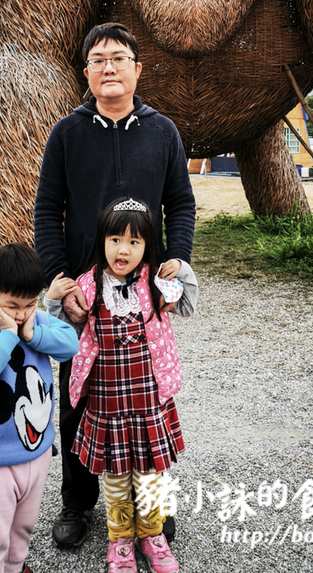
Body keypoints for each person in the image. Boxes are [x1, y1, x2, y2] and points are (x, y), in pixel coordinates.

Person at [34, 22, 196, 547]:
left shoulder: (163, 131)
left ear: (136, 69)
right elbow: (47, 210)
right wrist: (60, 280)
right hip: (85, 292)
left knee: (147, 397)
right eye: (99, 59)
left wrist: (175, 261)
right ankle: (78, 505)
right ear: (86, 73)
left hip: (144, 291)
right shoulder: (67, 133)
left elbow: (182, 204)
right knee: (80, 395)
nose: (109, 66)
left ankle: (148, 509)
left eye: (118, 58)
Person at [45, 198, 197, 573]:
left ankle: (153, 535)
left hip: (148, 403)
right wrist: (52, 301)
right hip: (107, 406)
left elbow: (189, 306)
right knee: (114, 479)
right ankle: (121, 541)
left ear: (147, 246)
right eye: (115, 239)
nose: (123, 249)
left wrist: (183, 269)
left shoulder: (156, 283)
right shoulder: (88, 285)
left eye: (134, 241)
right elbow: (62, 334)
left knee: (150, 476)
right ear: (102, 241)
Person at [0, 243, 79, 573]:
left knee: (22, 530)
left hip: (36, 455)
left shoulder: (35, 324)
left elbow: (70, 345)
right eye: (11, 306)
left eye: (30, 304)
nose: (21, 314)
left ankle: (16, 568)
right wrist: (8, 334)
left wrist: (33, 334)